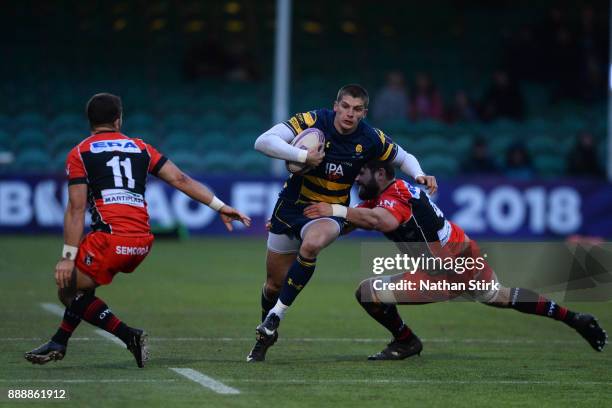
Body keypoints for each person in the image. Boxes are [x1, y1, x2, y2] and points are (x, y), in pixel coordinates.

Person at [24, 93, 251, 367]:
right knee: (87, 282)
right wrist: (220, 206)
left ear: (89, 121)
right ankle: (60, 341)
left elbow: (76, 208)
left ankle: (129, 335)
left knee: (68, 289)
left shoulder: (80, 152)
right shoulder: (141, 147)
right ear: (118, 120)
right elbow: (180, 178)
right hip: (142, 242)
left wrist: (67, 257)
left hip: (110, 240)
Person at [304, 160, 607, 360]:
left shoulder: (393, 199)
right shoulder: (389, 192)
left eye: (362, 172)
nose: (357, 177)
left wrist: (335, 210)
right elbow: (356, 221)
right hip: (462, 250)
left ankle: (406, 341)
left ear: (381, 174)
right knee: (499, 295)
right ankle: (573, 318)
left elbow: (379, 220)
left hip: (443, 268)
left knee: (367, 292)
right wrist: (302, 228)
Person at [249, 84, 437, 362]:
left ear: (364, 112)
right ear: (336, 105)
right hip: (289, 208)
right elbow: (262, 142)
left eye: (357, 109)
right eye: (346, 106)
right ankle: (265, 334)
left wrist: (419, 174)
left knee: (312, 244)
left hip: (330, 210)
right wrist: (302, 156)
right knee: (273, 285)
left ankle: (277, 315)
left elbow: (403, 157)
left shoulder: (370, 138)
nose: (350, 114)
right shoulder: (313, 121)